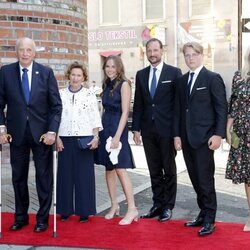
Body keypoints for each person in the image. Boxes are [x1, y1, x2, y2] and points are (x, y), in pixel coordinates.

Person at [0, 37, 62, 232]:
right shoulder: (6, 72)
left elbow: (56, 106)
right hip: (16, 134)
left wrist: (52, 131)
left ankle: (42, 219)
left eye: (29, 50)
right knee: (18, 177)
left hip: (42, 134)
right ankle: (21, 217)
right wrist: (1, 129)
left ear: (34, 52)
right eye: (21, 50)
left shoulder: (45, 73)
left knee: (43, 178)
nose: (25, 53)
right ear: (16, 52)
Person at [173, 42, 227, 236]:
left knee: (205, 180)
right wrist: (177, 135)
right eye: (187, 55)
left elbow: (221, 108)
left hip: (205, 139)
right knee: (195, 179)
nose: (190, 58)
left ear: (201, 56)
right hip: (186, 139)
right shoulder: (182, 80)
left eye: (194, 54)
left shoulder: (212, 78)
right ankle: (203, 214)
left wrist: (219, 134)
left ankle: (210, 220)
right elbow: (179, 110)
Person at [132, 38, 182, 222]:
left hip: (167, 130)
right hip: (147, 130)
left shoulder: (174, 73)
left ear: (162, 51)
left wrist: (177, 133)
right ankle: (157, 204)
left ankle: (168, 206)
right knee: (153, 169)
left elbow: (178, 106)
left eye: (155, 50)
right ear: (146, 52)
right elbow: (139, 103)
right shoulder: (141, 74)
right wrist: (135, 128)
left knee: (168, 169)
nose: (152, 54)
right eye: (149, 50)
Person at [56, 61, 102, 223]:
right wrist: (56, 137)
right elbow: (55, 116)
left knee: (84, 177)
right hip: (64, 139)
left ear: (84, 78)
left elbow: (94, 117)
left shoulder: (89, 94)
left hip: (84, 139)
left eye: (79, 75)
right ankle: (65, 210)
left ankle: (84, 210)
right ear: (69, 76)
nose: (75, 78)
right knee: (64, 176)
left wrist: (96, 138)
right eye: (73, 75)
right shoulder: (61, 94)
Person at [95, 55, 138, 225]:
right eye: (107, 66)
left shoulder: (124, 84)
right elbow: (102, 110)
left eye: (113, 66)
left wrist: (118, 136)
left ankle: (132, 208)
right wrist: (98, 132)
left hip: (117, 129)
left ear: (119, 67)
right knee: (109, 169)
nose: (110, 69)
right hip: (106, 128)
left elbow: (125, 112)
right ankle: (114, 205)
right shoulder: (106, 84)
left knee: (120, 169)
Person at [225, 45, 250, 232]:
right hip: (242, 133)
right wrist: (228, 128)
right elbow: (234, 104)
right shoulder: (239, 76)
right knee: (248, 178)